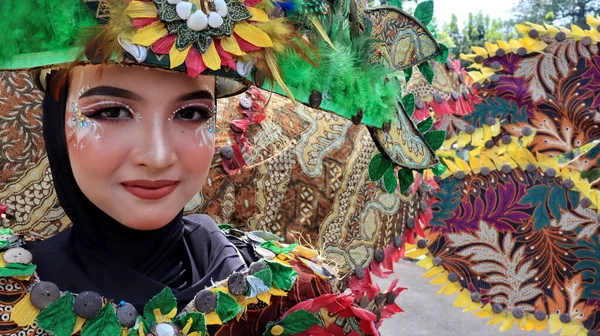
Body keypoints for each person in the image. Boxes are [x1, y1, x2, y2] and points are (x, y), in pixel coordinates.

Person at [0, 0, 437, 334]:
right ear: (57, 121)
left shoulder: (292, 292)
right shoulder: (9, 299)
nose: (157, 156)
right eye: (112, 112)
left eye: (191, 114)